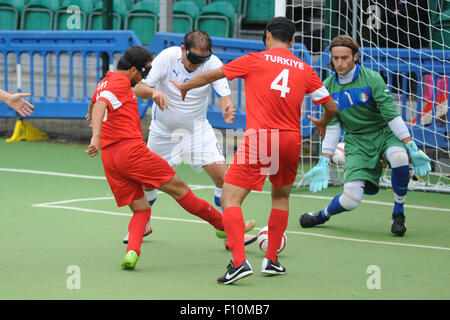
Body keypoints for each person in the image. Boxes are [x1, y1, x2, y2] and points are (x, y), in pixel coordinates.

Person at [171, 17, 338, 284]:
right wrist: (322, 123)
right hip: (291, 140)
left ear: (267, 35)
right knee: (281, 197)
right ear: (293, 42)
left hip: (261, 138)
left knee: (230, 199)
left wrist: (185, 86)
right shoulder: (306, 69)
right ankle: (271, 261)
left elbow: (213, 74)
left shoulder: (255, 60)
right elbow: (331, 107)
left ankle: (239, 263)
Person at [86, 45, 254, 270]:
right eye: (144, 72)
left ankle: (132, 252)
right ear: (133, 71)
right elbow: (100, 104)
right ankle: (223, 225)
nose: (145, 77)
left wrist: (91, 117)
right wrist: (95, 136)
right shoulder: (120, 82)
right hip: (131, 152)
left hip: (110, 159)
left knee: (141, 208)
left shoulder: (104, 81)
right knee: (181, 189)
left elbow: (94, 102)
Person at [127, 30, 257, 249]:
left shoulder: (213, 62)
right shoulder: (167, 57)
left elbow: (224, 94)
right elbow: (138, 86)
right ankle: (144, 223)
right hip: (163, 133)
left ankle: (230, 234)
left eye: (203, 59)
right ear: (183, 50)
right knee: (147, 183)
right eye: (194, 58)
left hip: (197, 131)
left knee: (223, 179)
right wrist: (152, 93)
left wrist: (227, 105)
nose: (198, 64)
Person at [299, 35, 431, 236]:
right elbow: (333, 127)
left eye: (344, 58)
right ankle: (323, 214)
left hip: (384, 134)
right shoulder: (327, 87)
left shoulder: (372, 78)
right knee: (351, 200)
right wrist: (324, 161)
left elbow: (391, 116)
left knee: (399, 157)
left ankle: (398, 213)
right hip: (357, 141)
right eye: (335, 58)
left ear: (355, 57)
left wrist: (411, 146)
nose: (340, 63)